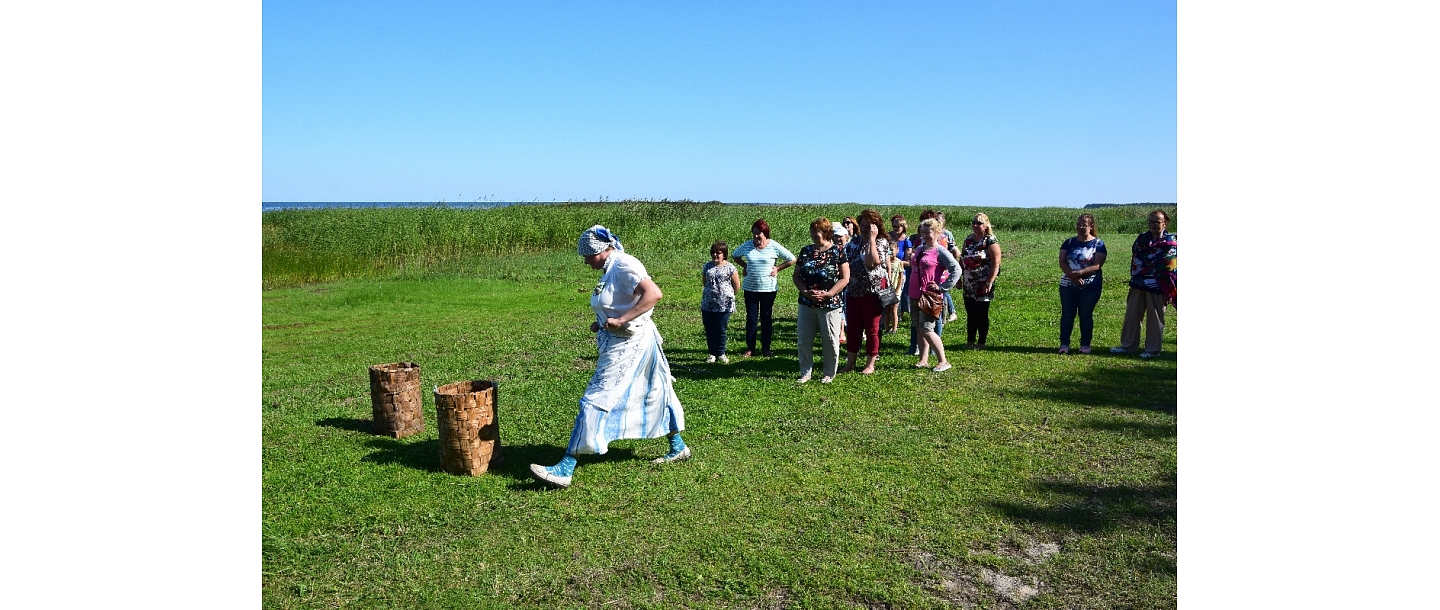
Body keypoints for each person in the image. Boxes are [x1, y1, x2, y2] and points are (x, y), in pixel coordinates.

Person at [530, 226, 689, 489]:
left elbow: (654, 294)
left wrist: (622, 320)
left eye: (587, 256)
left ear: (602, 251)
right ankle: (678, 445)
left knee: (595, 398)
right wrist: (602, 322)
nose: (584, 261)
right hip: (625, 339)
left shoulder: (624, 265)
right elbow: (616, 301)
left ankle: (565, 467)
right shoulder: (611, 268)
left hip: (632, 343)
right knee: (658, 389)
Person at [1111, 210, 1177, 358]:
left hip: (1158, 286)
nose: (1153, 225)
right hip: (1138, 283)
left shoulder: (1172, 241)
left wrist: (1169, 289)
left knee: (1155, 318)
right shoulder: (1141, 239)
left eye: (1157, 222)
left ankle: (1152, 350)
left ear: (1164, 223)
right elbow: (1135, 256)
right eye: (1151, 222)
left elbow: (1170, 266)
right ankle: (1128, 346)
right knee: (1132, 315)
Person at [792, 217, 850, 384]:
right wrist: (805, 291)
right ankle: (805, 372)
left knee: (830, 340)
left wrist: (829, 293)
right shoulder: (805, 251)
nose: (812, 234)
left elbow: (845, 278)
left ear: (825, 233)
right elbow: (796, 276)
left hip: (830, 304)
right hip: (807, 302)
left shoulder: (838, 251)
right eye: (811, 231)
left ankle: (829, 373)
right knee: (804, 339)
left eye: (815, 231)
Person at [732, 219, 796, 358]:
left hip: (768, 289)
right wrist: (745, 266)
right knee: (751, 318)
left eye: (759, 233)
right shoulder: (748, 246)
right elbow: (735, 255)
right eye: (754, 233)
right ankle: (750, 348)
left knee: (766, 318)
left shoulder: (773, 245)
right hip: (750, 288)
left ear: (765, 233)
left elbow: (791, 258)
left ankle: (766, 348)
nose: (756, 236)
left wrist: (778, 268)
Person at [840, 209, 893, 375]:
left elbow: (872, 263)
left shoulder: (882, 242)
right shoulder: (853, 243)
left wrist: (871, 239)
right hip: (854, 291)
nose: (864, 229)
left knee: (872, 328)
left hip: (873, 292)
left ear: (876, 227)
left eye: (868, 226)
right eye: (862, 226)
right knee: (854, 328)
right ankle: (850, 362)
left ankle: (870, 363)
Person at [907, 218, 960, 371]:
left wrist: (943, 287)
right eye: (922, 232)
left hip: (930, 295)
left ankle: (943, 361)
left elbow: (956, 270)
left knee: (927, 329)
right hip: (914, 293)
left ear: (937, 233)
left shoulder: (940, 251)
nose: (924, 235)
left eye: (928, 232)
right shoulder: (920, 249)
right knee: (918, 327)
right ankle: (923, 360)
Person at [1058, 214, 1107, 354]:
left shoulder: (1099, 244)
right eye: (1078, 224)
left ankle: (1085, 344)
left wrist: (1080, 273)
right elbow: (1062, 261)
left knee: (1085, 315)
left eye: (1084, 225)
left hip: (1090, 287)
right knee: (1067, 314)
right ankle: (1064, 344)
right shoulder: (1068, 243)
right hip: (1067, 285)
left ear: (1091, 226)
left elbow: (1097, 265)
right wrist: (1072, 276)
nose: (1080, 227)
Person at [959, 213, 1002, 350]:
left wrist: (989, 281)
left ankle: (981, 342)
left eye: (979, 223)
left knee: (981, 313)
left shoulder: (990, 241)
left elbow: (996, 263)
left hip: (983, 283)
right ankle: (970, 341)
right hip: (968, 282)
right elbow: (962, 259)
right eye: (974, 223)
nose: (975, 226)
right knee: (970, 313)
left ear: (986, 225)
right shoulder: (969, 239)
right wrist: (958, 278)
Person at [701, 240, 741, 363]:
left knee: (720, 329)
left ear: (724, 254)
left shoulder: (730, 267)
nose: (715, 255)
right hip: (708, 303)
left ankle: (721, 353)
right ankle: (712, 353)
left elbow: (737, 285)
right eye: (713, 252)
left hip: (724, 304)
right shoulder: (707, 266)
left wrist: (727, 295)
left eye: (718, 253)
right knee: (710, 328)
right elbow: (704, 281)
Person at [934, 211, 962, 322]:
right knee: (941, 290)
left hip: (944, 266)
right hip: (935, 266)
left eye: (939, 220)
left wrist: (951, 264)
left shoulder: (947, 234)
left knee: (943, 289)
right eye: (936, 220)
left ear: (943, 221)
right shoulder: (933, 232)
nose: (937, 222)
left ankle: (951, 312)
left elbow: (954, 250)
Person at [886, 215, 910, 334]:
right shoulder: (888, 237)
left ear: (903, 227)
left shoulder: (906, 241)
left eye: (898, 226)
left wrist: (897, 262)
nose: (896, 228)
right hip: (887, 272)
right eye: (894, 226)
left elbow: (909, 260)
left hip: (900, 271)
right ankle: (886, 322)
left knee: (896, 297)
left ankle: (896, 319)